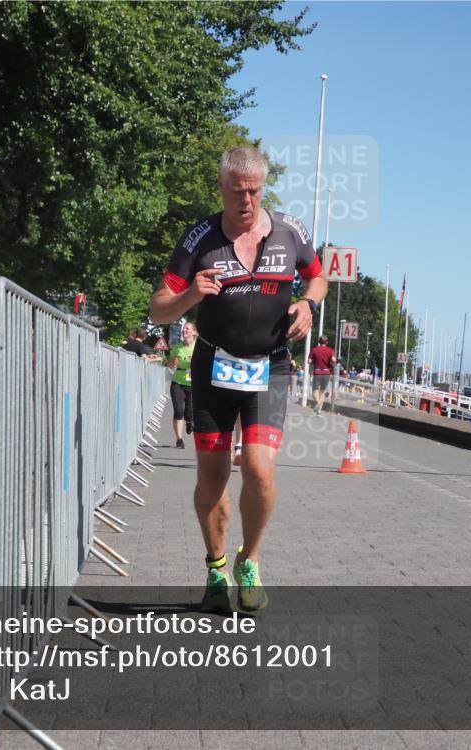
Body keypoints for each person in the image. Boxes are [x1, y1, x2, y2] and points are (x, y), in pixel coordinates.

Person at [149, 146, 326, 613]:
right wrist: (190, 295)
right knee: (212, 477)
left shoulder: (290, 232)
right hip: (212, 368)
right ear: (221, 188)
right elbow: (157, 307)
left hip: (269, 365)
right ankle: (214, 567)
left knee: (259, 468)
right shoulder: (199, 239)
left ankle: (249, 560)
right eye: (236, 192)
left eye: (254, 191)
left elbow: (320, 277)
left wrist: (308, 302)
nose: (246, 201)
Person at [166, 322, 197, 449]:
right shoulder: (176, 347)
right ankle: (179, 439)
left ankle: (190, 421)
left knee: (189, 413)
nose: (184, 330)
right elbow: (170, 363)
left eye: (187, 328)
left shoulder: (198, 347)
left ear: (194, 332)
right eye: (184, 328)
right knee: (178, 411)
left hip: (193, 383)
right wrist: (172, 363)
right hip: (178, 381)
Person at [307, 335, 336, 416]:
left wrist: (312, 363)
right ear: (327, 342)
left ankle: (318, 405)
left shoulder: (314, 350)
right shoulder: (330, 351)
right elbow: (333, 360)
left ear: (319, 342)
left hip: (317, 372)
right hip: (327, 373)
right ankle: (319, 411)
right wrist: (332, 364)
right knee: (322, 392)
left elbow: (309, 361)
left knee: (314, 392)